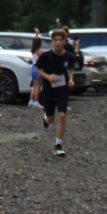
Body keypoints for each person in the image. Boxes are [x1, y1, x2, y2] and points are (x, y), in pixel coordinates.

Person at [34, 27, 76, 155]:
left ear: (64, 41)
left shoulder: (69, 56)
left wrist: (71, 80)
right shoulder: (46, 56)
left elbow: (70, 69)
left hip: (63, 90)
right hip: (49, 90)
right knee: (50, 119)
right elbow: (37, 69)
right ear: (52, 42)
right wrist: (48, 77)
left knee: (62, 115)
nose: (58, 42)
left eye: (60, 40)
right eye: (55, 40)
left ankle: (58, 145)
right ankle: (45, 119)